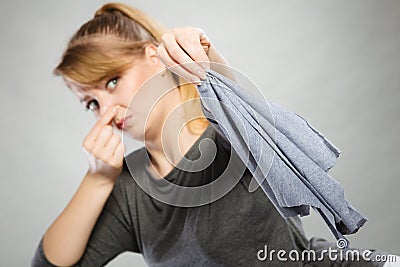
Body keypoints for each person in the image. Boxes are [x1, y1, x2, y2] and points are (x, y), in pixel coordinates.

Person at [32, 3, 398, 267]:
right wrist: (96, 180)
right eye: (91, 103)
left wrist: (205, 54)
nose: (108, 110)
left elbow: (248, 114)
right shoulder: (129, 189)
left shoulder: (226, 135)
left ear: (154, 57)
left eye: (113, 81)